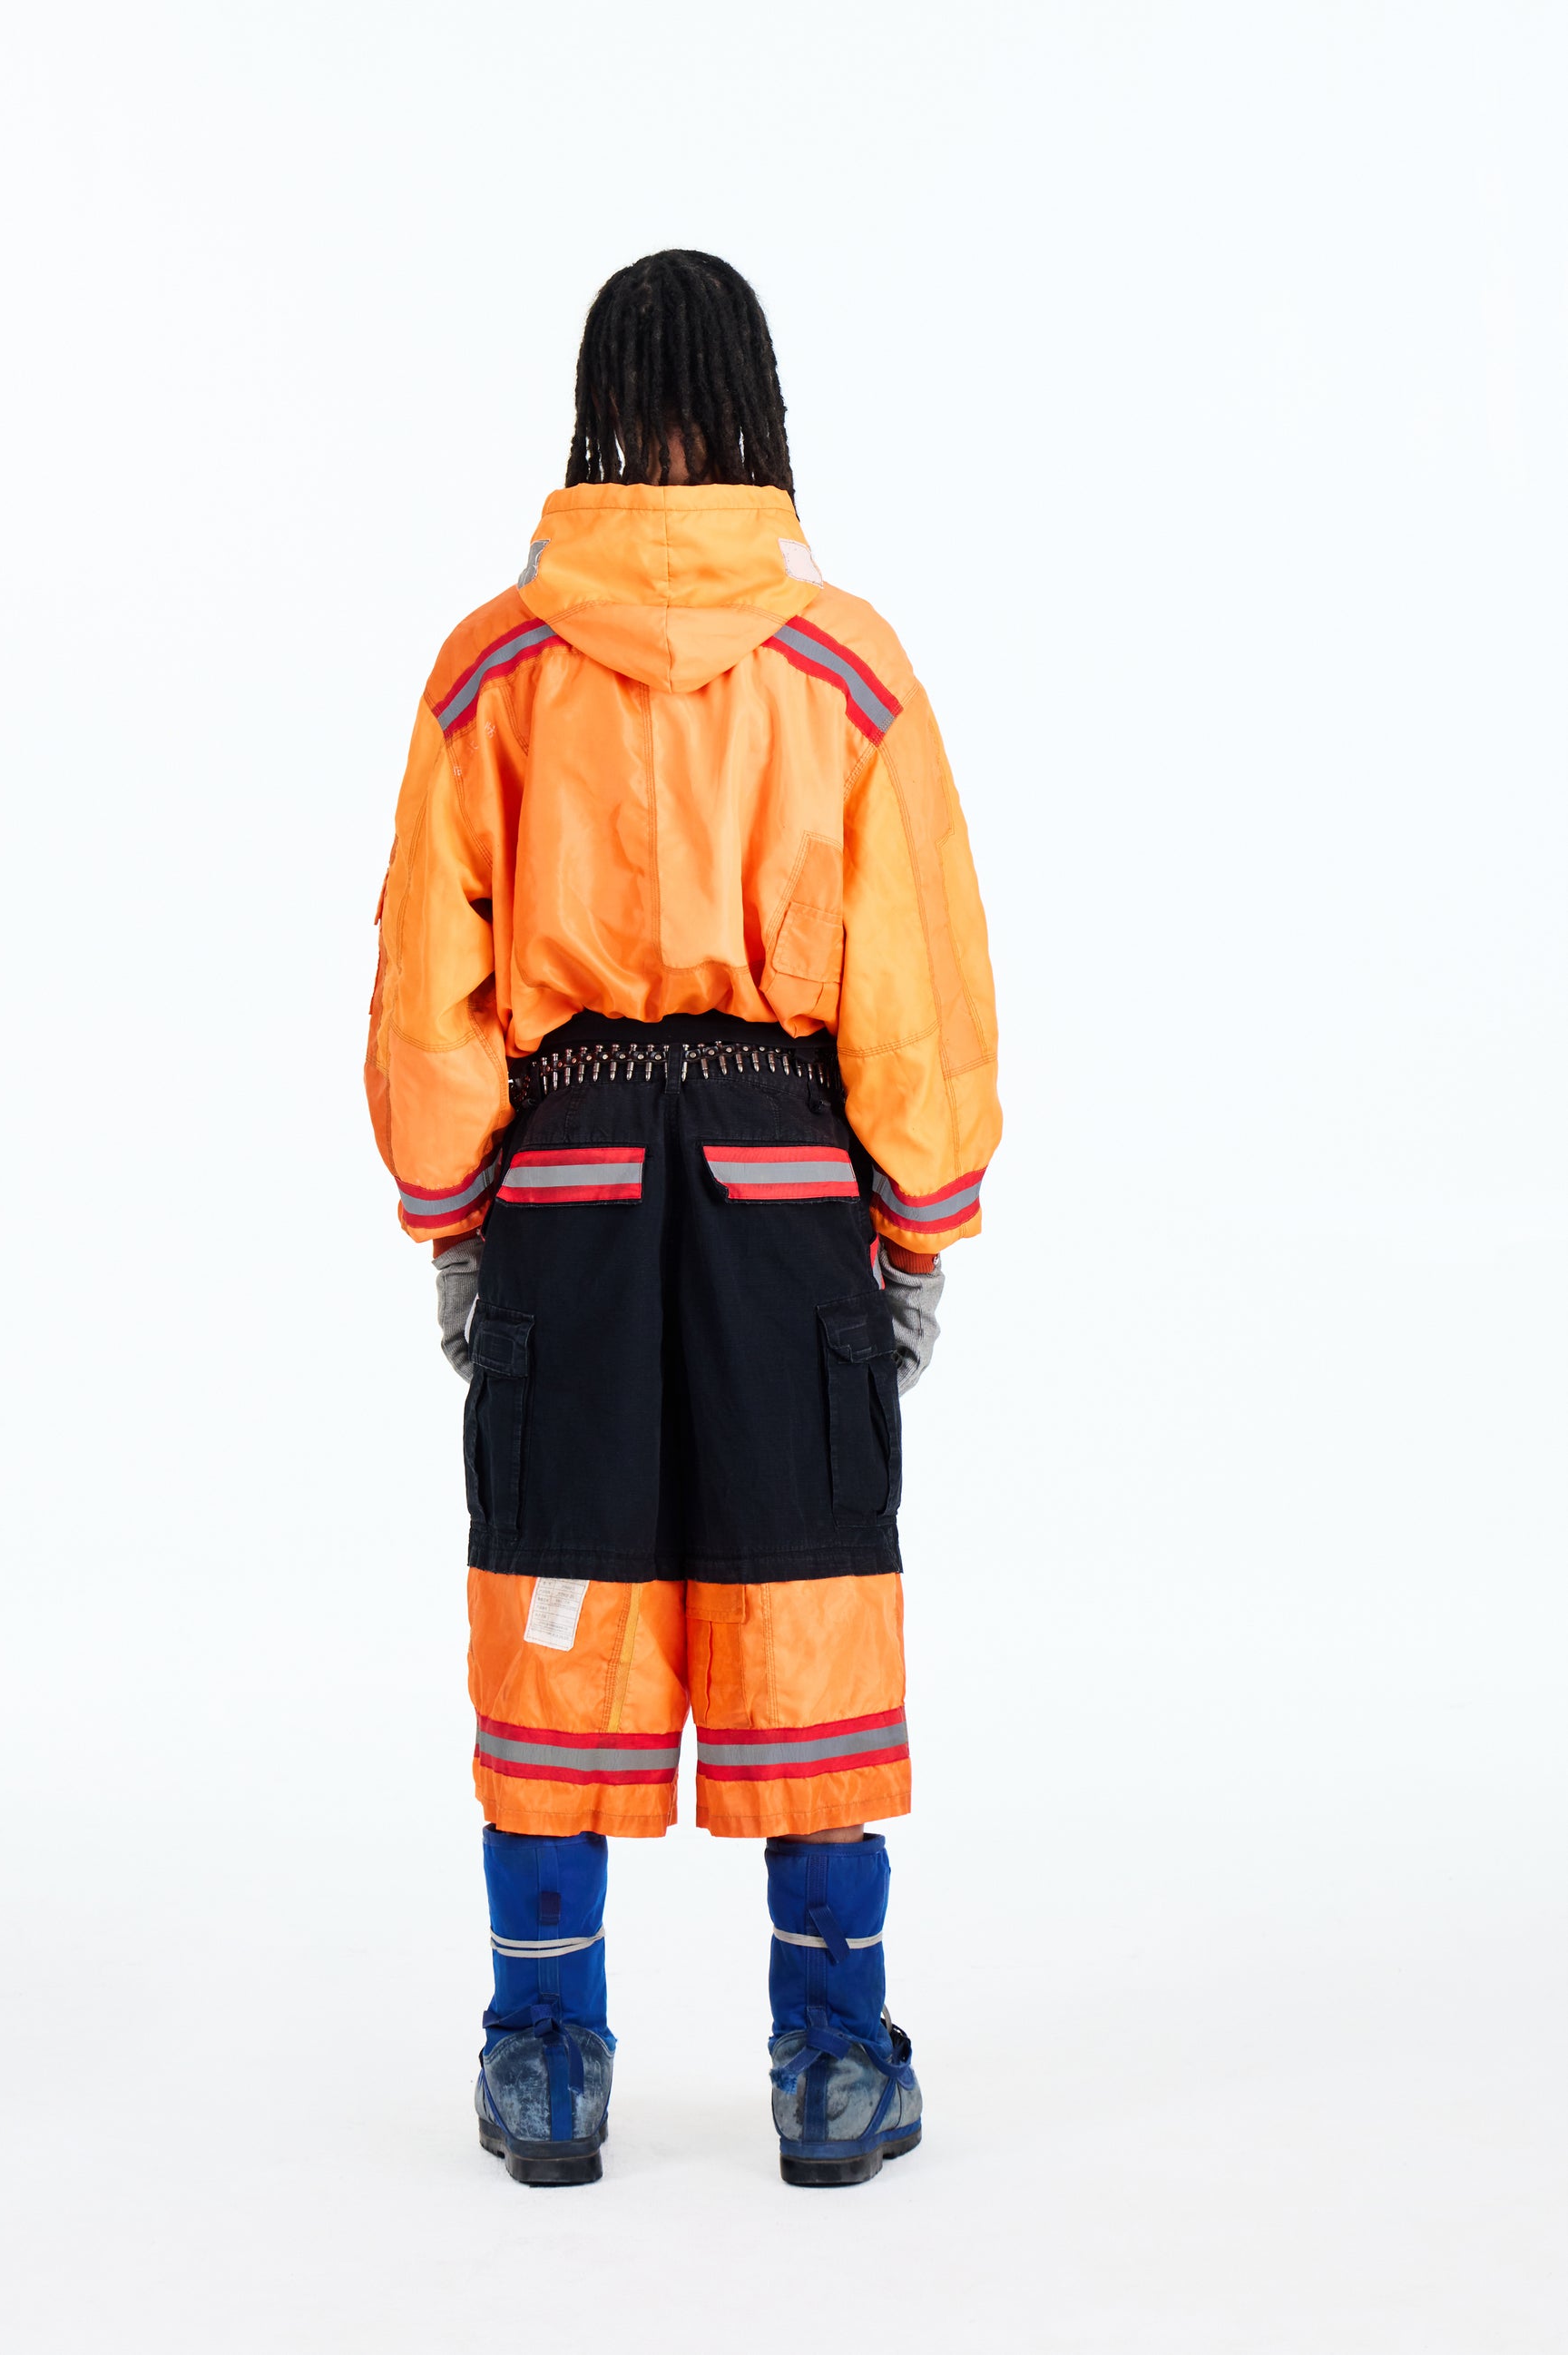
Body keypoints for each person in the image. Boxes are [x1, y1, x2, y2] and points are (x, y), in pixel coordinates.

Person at [364, 250, 1001, 2188]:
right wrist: (915, 1229)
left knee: (549, 1596)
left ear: (592, 406)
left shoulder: (490, 666)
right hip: (785, 1194)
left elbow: (426, 977)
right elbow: (916, 977)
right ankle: (834, 2060)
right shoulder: (847, 667)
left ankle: (544, 2058)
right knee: (808, 1598)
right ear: (757, 406)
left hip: (562, 1190)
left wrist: (453, 1217)